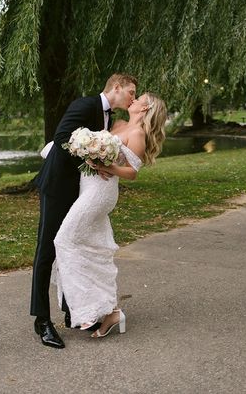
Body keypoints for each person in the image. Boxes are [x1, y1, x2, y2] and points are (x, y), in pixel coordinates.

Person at [30, 73, 138, 349]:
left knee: (73, 247)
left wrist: (99, 162)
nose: (133, 98)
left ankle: (71, 310)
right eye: (131, 92)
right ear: (116, 87)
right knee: (47, 251)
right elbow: (63, 138)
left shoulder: (109, 118)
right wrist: (94, 157)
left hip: (79, 190)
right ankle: (42, 320)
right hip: (57, 186)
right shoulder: (85, 105)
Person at [53, 92, 167, 339]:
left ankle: (87, 310)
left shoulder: (136, 134)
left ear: (145, 108)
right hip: (87, 186)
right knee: (91, 248)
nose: (133, 100)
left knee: (64, 240)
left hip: (101, 193)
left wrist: (107, 166)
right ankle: (110, 312)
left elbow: (132, 172)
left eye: (139, 99)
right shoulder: (118, 124)